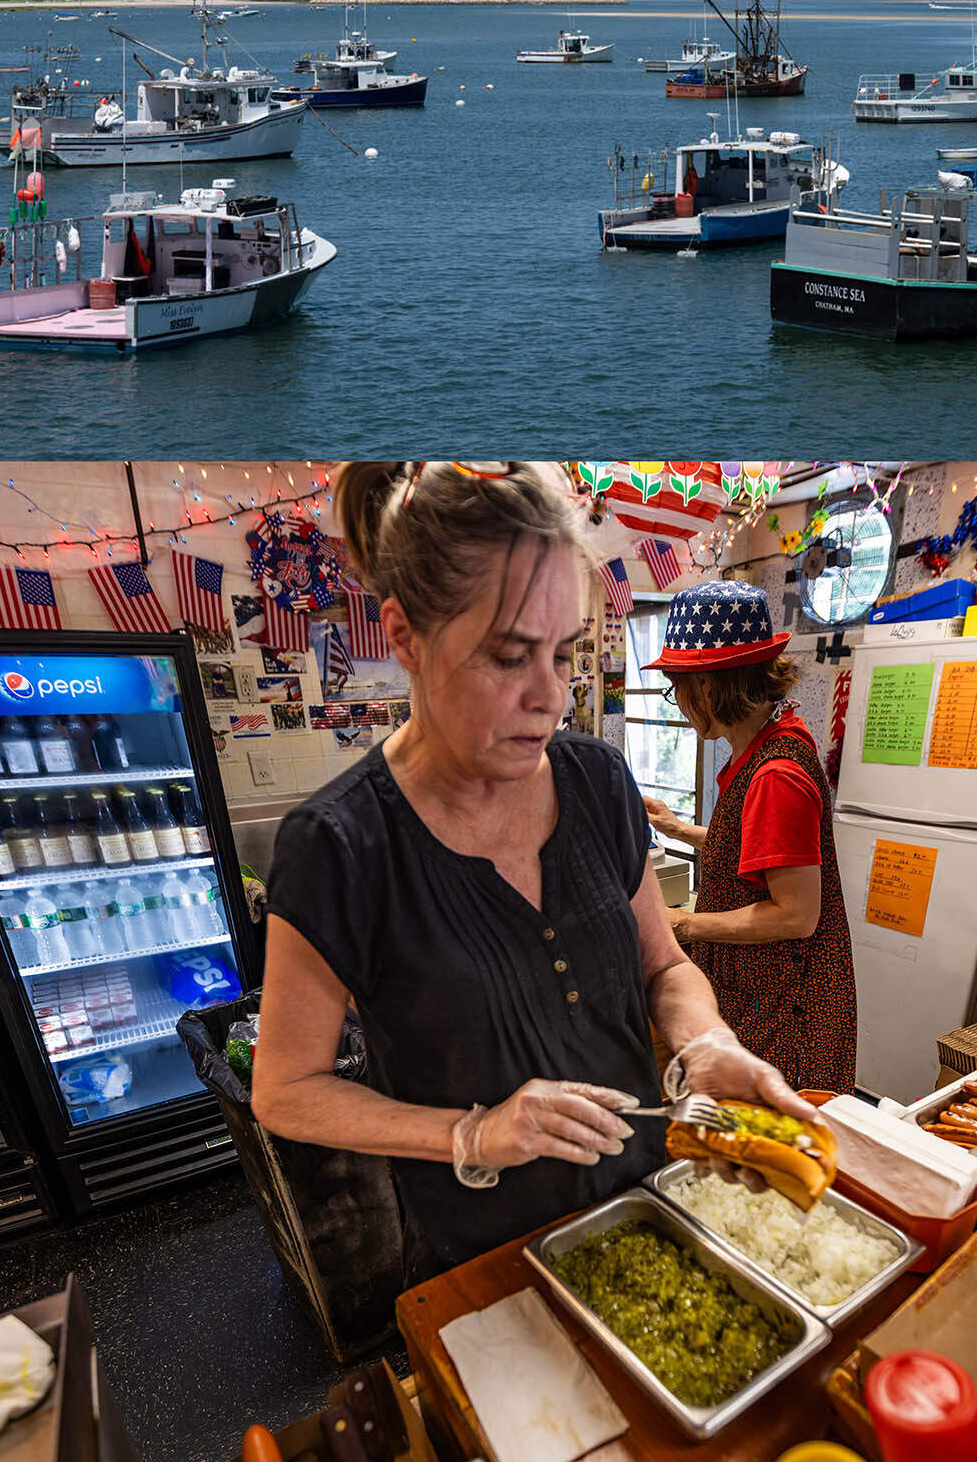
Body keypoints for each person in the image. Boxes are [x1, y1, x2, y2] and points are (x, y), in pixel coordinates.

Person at [254, 462, 822, 1281]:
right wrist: (473, 1134)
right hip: (481, 1244)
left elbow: (662, 964)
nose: (549, 697)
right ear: (405, 635)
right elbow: (285, 1090)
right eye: (509, 657)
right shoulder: (339, 846)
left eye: (564, 655)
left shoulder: (597, 782)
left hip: (647, 1190)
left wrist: (706, 1042)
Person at [638, 581, 858, 1095]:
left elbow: (795, 915)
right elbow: (758, 846)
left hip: (783, 1003)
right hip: (767, 987)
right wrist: (675, 827)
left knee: (772, 1133)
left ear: (709, 687)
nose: (679, 705)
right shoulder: (766, 742)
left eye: (678, 689)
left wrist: (682, 925)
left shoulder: (775, 773)